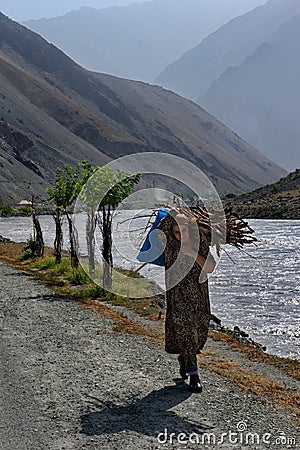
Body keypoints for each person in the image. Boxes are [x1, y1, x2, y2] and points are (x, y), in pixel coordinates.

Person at [158, 211, 216, 393]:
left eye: (184, 231)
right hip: (177, 295)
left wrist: (192, 253)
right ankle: (194, 375)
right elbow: (158, 231)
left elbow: (210, 267)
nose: (180, 235)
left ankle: (185, 357)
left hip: (198, 295)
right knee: (187, 331)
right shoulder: (168, 244)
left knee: (197, 332)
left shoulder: (199, 243)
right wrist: (173, 214)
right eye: (176, 231)